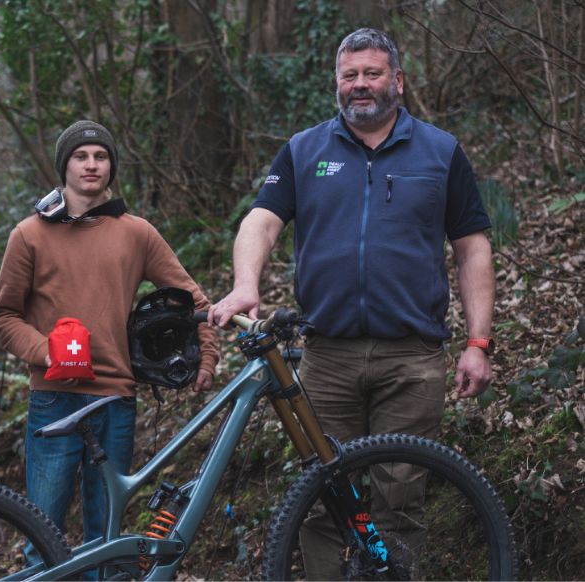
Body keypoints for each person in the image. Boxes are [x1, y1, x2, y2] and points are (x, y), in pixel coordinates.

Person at [208, 28, 495, 579]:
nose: (360, 85)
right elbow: (261, 222)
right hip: (325, 359)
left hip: (412, 358)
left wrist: (478, 342)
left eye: (372, 73)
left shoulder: (441, 151)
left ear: (398, 80)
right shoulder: (304, 149)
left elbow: (472, 248)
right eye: (350, 75)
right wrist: (247, 284)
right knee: (321, 501)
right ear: (336, 83)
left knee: (400, 499)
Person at [0, 120, 219, 571]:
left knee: (106, 538)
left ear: (111, 166)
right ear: (64, 166)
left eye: (100, 156)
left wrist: (207, 355)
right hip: (53, 398)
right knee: (41, 532)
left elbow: (192, 299)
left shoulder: (137, 233)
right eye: (81, 156)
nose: (91, 165)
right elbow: (3, 316)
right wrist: (46, 352)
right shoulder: (29, 234)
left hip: (115, 396)